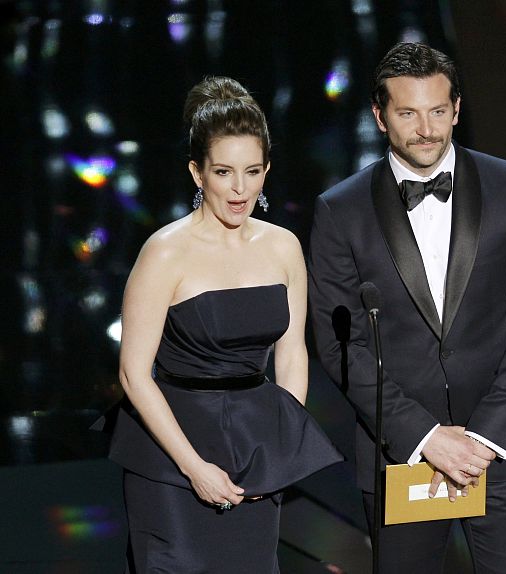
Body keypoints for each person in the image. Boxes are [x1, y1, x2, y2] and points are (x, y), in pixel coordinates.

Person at [308, 43, 506, 573]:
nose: (426, 129)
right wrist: (423, 437)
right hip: (401, 454)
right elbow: (340, 344)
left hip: (502, 451)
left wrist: (485, 437)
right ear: (380, 116)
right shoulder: (340, 210)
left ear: (457, 109)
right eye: (408, 113)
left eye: (438, 111)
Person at [103, 76, 342, 572]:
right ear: (197, 173)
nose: (240, 189)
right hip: (172, 456)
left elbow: (292, 354)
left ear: (267, 169)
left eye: (253, 171)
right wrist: (194, 468)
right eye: (224, 172)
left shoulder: (283, 246)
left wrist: (278, 453)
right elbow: (133, 374)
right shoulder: (165, 252)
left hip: (256, 450)